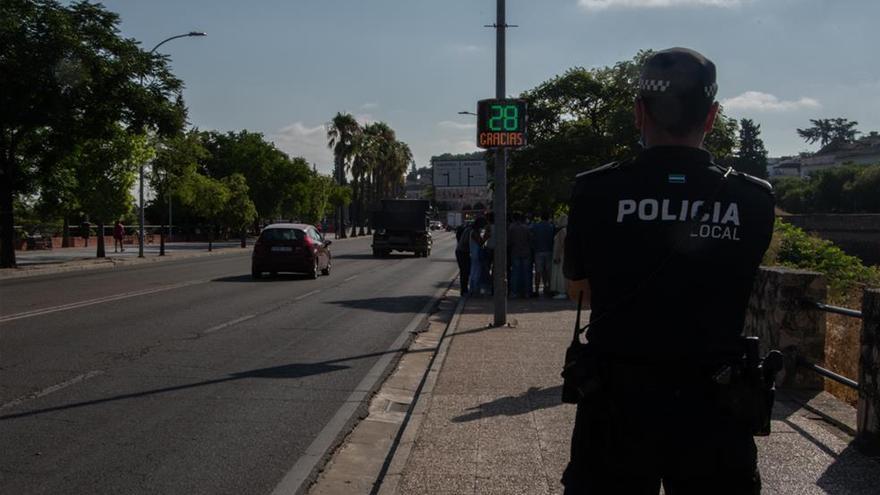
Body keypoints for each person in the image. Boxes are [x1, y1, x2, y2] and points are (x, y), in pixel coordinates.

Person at [562, 47, 775, 494]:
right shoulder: (753, 198)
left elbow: (579, 290)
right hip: (715, 403)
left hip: (616, 401)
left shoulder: (596, 190)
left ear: (639, 113)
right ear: (712, 116)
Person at [530, 212, 556, 297]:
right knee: (548, 272)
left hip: (538, 251)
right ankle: (548, 288)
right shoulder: (551, 227)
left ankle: (537, 290)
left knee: (538, 272)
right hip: (549, 250)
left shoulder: (536, 226)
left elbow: (532, 236)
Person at [507, 213, 532, 298]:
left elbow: (509, 241)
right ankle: (527, 292)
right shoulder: (526, 228)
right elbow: (530, 240)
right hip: (526, 252)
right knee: (526, 273)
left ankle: (514, 292)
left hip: (515, 252)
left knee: (515, 273)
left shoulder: (511, 228)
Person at [550, 214, 568, 299]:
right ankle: (565, 291)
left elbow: (560, 245)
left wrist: (557, 256)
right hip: (565, 255)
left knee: (560, 274)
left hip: (561, 255)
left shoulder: (562, 231)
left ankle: (562, 291)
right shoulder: (568, 230)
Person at [468, 217, 487, 296]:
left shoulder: (475, 232)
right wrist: (486, 237)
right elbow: (480, 242)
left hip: (475, 253)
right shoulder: (474, 232)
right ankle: (474, 289)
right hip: (476, 254)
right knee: (476, 271)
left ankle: (473, 289)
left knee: (474, 271)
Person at [455, 222, 472, 294]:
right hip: (463, 252)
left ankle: (464, 289)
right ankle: (464, 289)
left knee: (465, 271)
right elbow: (465, 242)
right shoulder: (469, 231)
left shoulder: (467, 230)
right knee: (465, 271)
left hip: (462, 252)